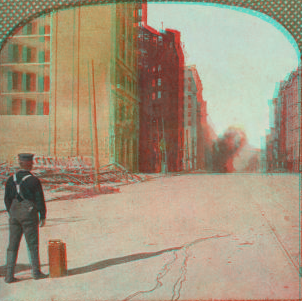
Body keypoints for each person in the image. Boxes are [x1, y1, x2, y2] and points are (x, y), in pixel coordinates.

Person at [4, 153, 47, 283]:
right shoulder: (34, 180)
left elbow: (6, 199)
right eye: (32, 163)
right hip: (29, 215)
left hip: (14, 215)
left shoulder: (11, 179)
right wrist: (43, 215)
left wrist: (12, 212)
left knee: (12, 245)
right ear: (29, 164)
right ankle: (36, 272)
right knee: (32, 244)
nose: (33, 164)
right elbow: (40, 200)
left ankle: (9, 276)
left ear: (20, 164)